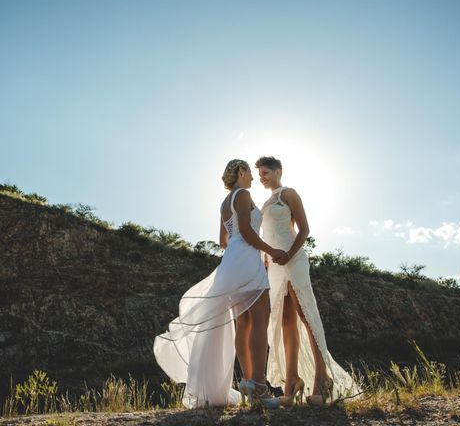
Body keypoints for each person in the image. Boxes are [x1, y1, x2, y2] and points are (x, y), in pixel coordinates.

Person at [153, 159, 282, 408]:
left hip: (231, 262)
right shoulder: (243, 195)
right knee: (259, 320)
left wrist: (241, 248)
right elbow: (245, 231)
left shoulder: (225, 202)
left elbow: (223, 240)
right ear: (242, 172)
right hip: (247, 261)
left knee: (243, 323)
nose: (253, 178)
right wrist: (270, 251)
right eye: (250, 173)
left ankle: (247, 382)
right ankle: (261, 387)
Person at [256, 156, 360, 406]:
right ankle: (291, 382)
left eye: (266, 173)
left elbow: (304, 229)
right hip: (274, 265)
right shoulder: (265, 202)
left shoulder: (289, 193)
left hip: (293, 259)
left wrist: (289, 254)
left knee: (305, 314)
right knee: (285, 320)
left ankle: (322, 379)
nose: (262, 177)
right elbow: (265, 234)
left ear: (278, 171)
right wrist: (266, 260)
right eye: (259, 174)